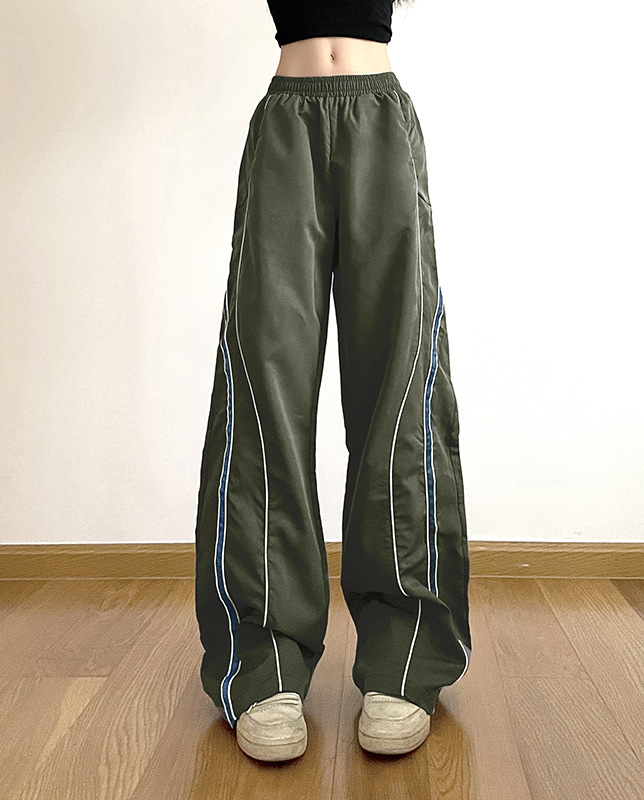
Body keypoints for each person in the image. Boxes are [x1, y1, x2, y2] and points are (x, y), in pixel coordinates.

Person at [193, 0, 472, 762]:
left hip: (381, 121)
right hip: (286, 124)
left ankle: (405, 658)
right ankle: (262, 663)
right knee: (264, 386)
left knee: (399, 385)